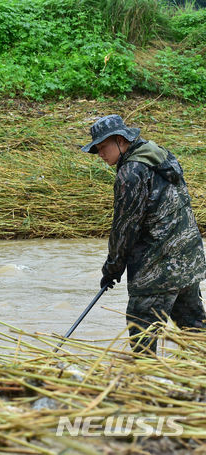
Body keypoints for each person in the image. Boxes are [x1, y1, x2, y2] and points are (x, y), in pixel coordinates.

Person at [82, 114, 206, 354]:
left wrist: (112, 268)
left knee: (142, 339)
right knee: (196, 332)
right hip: (188, 262)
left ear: (119, 140)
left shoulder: (131, 173)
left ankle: (144, 386)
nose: (100, 154)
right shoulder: (161, 156)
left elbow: (125, 228)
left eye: (102, 147)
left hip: (156, 270)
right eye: (96, 149)